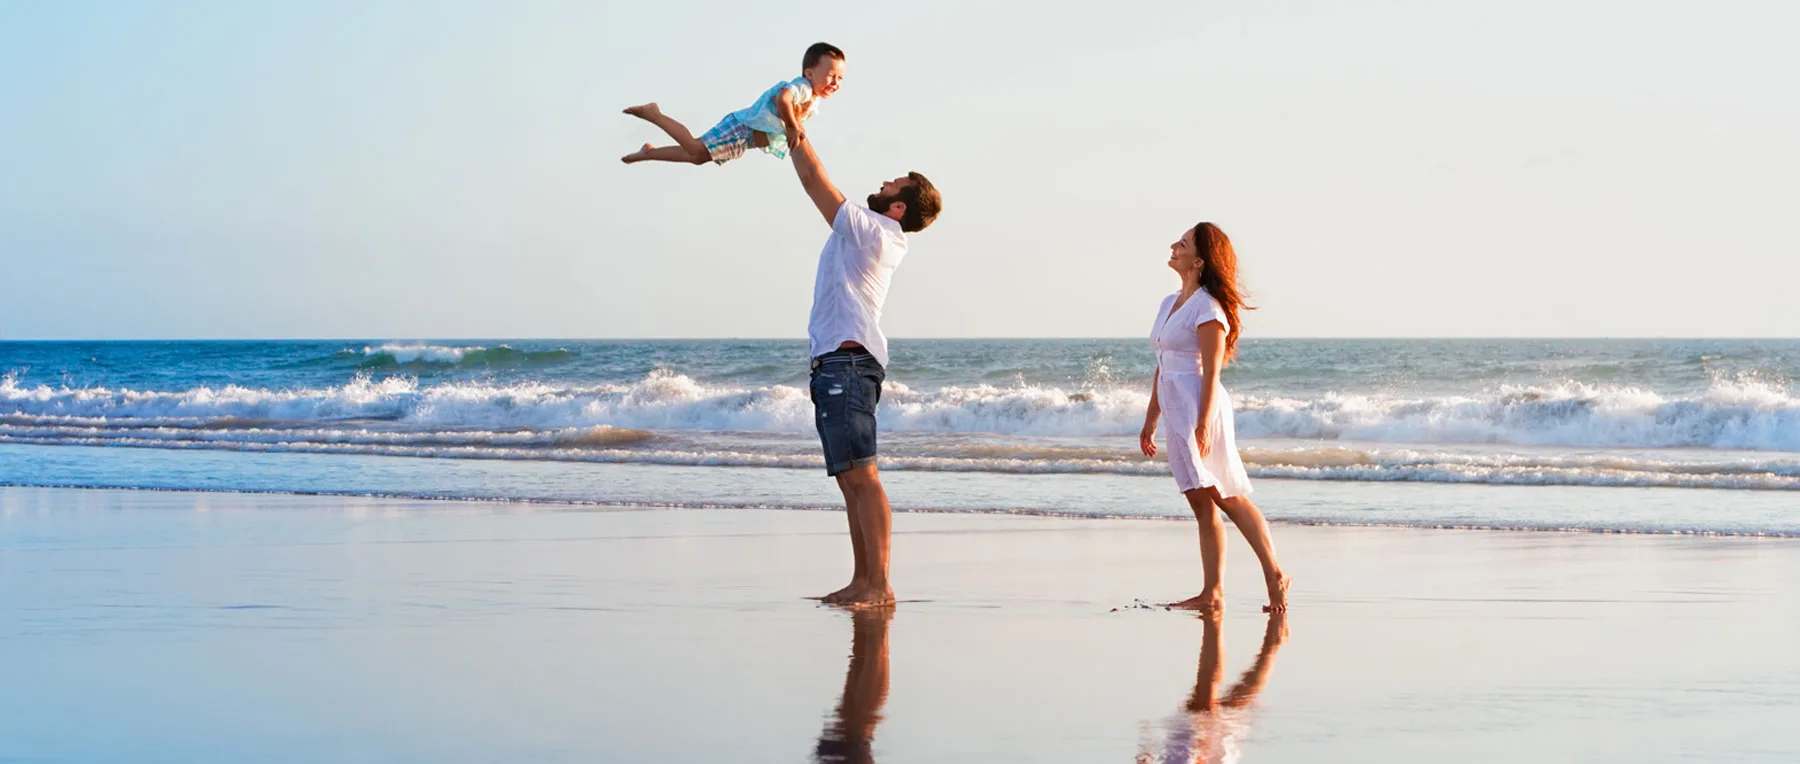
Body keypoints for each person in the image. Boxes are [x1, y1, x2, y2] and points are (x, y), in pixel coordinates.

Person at [787, 125, 941, 608]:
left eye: (892, 185)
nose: (883, 184)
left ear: (898, 208)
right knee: (849, 478)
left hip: (849, 363)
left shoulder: (876, 231)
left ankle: (878, 585)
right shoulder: (869, 231)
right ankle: (862, 581)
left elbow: (816, 182)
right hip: (837, 361)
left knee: (863, 475)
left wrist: (793, 127)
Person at [1139, 223, 1290, 613]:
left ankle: (1275, 575)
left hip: (1200, 407)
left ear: (1199, 261)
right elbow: (1162, 362)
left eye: (1183, 244)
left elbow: (1212, 370)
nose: (1174, 246)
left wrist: (1203, 423)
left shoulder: (1208, 308)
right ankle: (1213, 593)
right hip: (1175, 407)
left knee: (1226, 494)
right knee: (1199, 501)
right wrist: (1150, 417)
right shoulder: (1169, 302)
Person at [621, 42, 845, 166]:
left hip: (745, 138)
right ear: (809, 73)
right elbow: (782, 98)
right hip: (742, 128)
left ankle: (649, 153)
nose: (835, 82)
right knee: (696, 148)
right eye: (831, 75)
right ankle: (655, 114)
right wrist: (794, 126)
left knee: (697, 157)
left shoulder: (811, 98)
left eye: (840, 78)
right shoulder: (802, 87)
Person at [1138, 611, 1289, 764]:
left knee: (1225, 705)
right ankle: (1266, 643)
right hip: (1196, 752)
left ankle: (1271, 645)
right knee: (1208, 703)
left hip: (1195, 752)